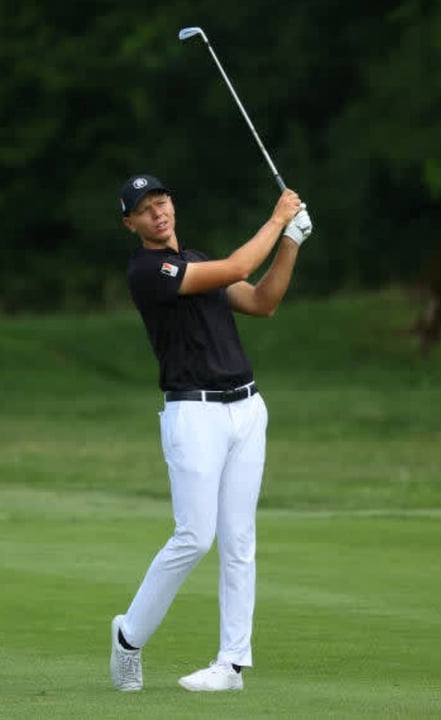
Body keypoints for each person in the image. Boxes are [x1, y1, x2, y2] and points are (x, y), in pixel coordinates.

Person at [108, 174, 312, 692]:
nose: (158, 213)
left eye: (163, 201)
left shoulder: (197, 260)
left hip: (247, 408)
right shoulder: (149, 271)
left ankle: (232, 664)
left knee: (240, 540)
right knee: (195, 536)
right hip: (192, 414)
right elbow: (242, 266)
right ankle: (129, 638)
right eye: (145, 209)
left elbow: (263, 300)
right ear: (130, 223)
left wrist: (291, 242)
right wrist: (277, 218)